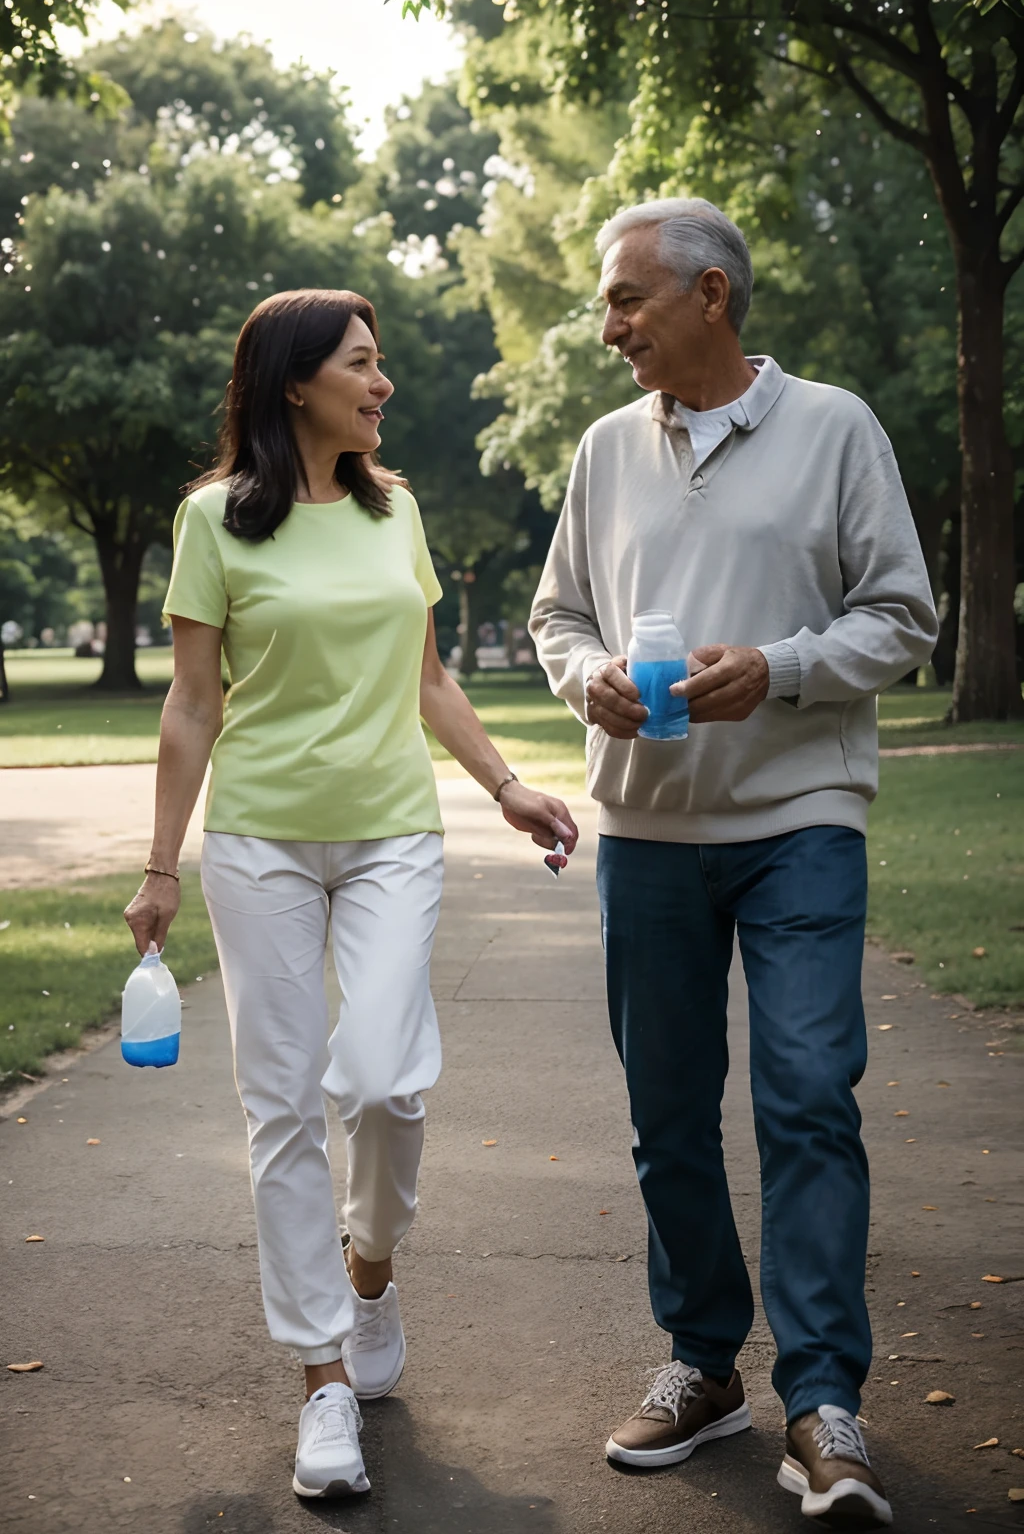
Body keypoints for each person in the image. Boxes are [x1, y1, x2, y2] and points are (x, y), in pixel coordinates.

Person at [124, 288, 577, 1502]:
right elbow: (193, 704)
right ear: (294, 384)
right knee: (281, 1106)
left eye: (378, 368)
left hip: (391, 835)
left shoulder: (398, 511)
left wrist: (506, 785)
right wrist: (163, 864)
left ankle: (368, 1277)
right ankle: (322, 1382)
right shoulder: (214, 519)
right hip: (262, 837)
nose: (382, 386)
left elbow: (425, 677)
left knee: (383, 1078)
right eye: (362, 367)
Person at [530, 199, 937, 1530]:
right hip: (647, 833)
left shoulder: (836, 428)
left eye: (629, 300)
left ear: (712, 294)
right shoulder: (602, 449)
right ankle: (706, 1364)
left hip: (802, 818)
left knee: (812, 1091)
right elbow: (559, 612)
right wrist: (589, 676)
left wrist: (783, 669)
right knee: (666, 1118)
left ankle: (824, 1401)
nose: (611, 329)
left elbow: (901, 616)